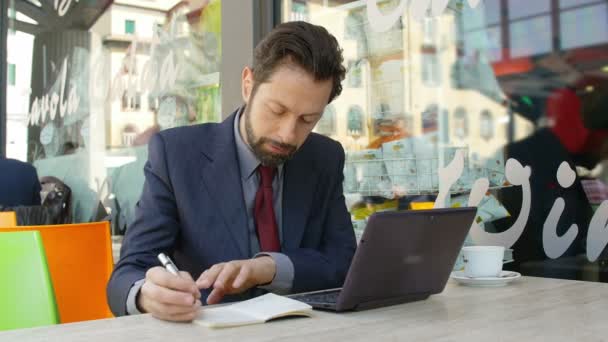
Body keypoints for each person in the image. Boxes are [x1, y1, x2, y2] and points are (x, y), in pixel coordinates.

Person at [107, 21, 357, 321]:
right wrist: (146, 294)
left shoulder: (324, 157)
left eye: (308, 119)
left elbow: (344, 262)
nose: (288, 134)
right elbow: (127, 273)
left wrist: (269, 268)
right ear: (248, 85)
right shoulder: (176, 154)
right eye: (277, 111)